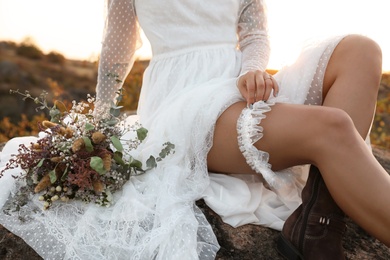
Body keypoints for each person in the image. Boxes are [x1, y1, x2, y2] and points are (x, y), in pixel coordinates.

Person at [0, 0, 389, 259]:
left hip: (239, 79)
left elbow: (253, 33)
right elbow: (118, 47)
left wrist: (252, 69)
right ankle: (323, 215)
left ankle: (318, 216)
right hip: (183, 100)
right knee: (333, 126)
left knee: (362, 48)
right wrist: (96, 123)